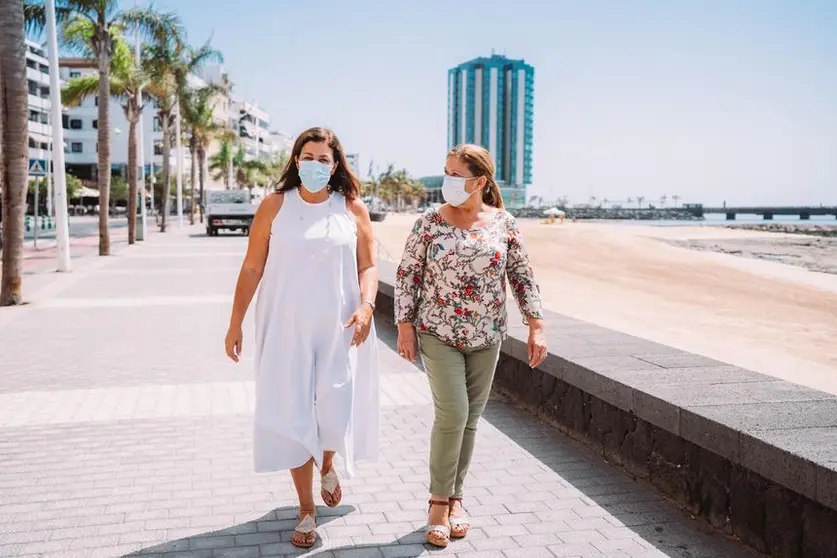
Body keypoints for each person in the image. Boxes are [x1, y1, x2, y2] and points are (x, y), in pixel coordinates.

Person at [224, 127, 379, 549]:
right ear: (296, 161)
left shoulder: (351, 208)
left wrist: (367, 306)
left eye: (323, 159)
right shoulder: (275, 206)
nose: (314, 165)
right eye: (307, 157)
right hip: (284, 326)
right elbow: (253, 267)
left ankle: (328, 461)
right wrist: (235, 321)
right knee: (294, 414)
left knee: (333, 406)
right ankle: (307, 509)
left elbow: (368, 266)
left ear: (335, 165)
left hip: (339, 327)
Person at [394, 144, 547, 548]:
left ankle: (457, 499)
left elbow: (522, 275)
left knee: (471, 420)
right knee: (454, 413)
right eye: (444, 171)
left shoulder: (504, 223)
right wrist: (405, 325)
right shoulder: (429, 222)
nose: (447, 180)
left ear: (479, 182)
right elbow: (408, 274)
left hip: (487, 335)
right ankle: (437, 504)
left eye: (454, 174)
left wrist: (537, 326)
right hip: (437, 331)